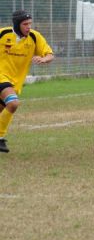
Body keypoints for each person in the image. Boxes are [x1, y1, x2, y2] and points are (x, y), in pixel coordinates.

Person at [0, 10, 54, 153]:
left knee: (7, 108)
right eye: (25, 24)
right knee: (13, 103)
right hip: (1, 76)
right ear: (17, 25)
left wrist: (44, 59)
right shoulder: (3, 34)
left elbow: (50, 54)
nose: (28, 27)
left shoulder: (34, 37)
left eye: (30, 23)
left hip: (15, 83)